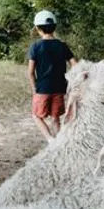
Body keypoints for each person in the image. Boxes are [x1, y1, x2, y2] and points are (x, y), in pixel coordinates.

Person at [27, 10, 76, 139]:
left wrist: (34, 89)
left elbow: (31, 72)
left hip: (42, 88)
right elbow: (75, 65)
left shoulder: (35, 46)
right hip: (59, 88)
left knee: (36, 116)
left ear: (37, 28)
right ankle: (58, 143)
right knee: (55, 118)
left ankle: (50, 140)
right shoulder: (62, 46)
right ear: (54, 27)